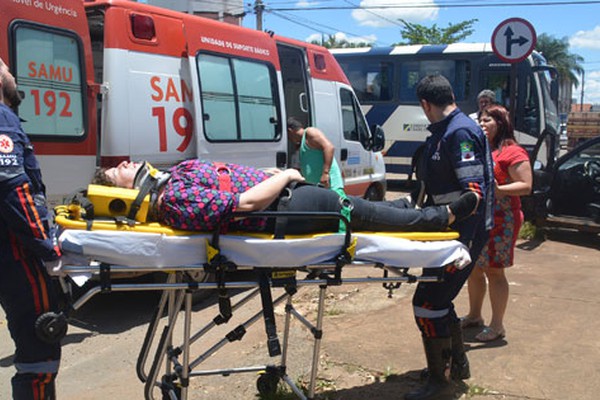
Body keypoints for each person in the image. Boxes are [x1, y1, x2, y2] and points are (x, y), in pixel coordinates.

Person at [93, 159, 480, 236]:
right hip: (285, 208)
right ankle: (440, 217)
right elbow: (244, 204)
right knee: (355, 213)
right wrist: (287, 177)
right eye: (118, 170)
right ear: (125, 190)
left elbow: (232, 183)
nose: (125, 162)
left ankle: (404, 207)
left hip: (285, 196)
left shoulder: (172, 179)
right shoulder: (173, 200)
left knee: (368, 211)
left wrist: (270, 177)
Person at [406, 75, 494, 400]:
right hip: (447, 233)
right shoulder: (448, 130)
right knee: (438, 301)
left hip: (461, 234)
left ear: (425, 105)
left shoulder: (460, 132)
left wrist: (441, 217)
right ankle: (453, 366)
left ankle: (440, 384)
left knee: (428, 303)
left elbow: (474, 194)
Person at [0, 57, 63, 399]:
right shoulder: (2, 118)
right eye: (7, 70)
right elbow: (14, 191)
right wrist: (48, 248)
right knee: (41, 344)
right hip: (15, 255)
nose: (13, 75)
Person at [461, 105, 532, 342]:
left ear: (500, 123)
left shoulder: (512, 152)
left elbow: (526, 185)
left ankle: (497, 325)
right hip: (480, 218)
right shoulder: (484, 149)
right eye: (480, 120)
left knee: (495, 271)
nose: (482, 124)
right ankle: (474, 315)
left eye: (487, 120)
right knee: (474, 269)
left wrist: (499, 189)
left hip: (503, 220)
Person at [286, 117, 343, 190]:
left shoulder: (310, 133)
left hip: (329, 185)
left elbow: (329, 147)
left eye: (288, 136)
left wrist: (325, 173)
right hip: (317, 187)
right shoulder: (301, 144)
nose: (289, 139)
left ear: (290, 131)